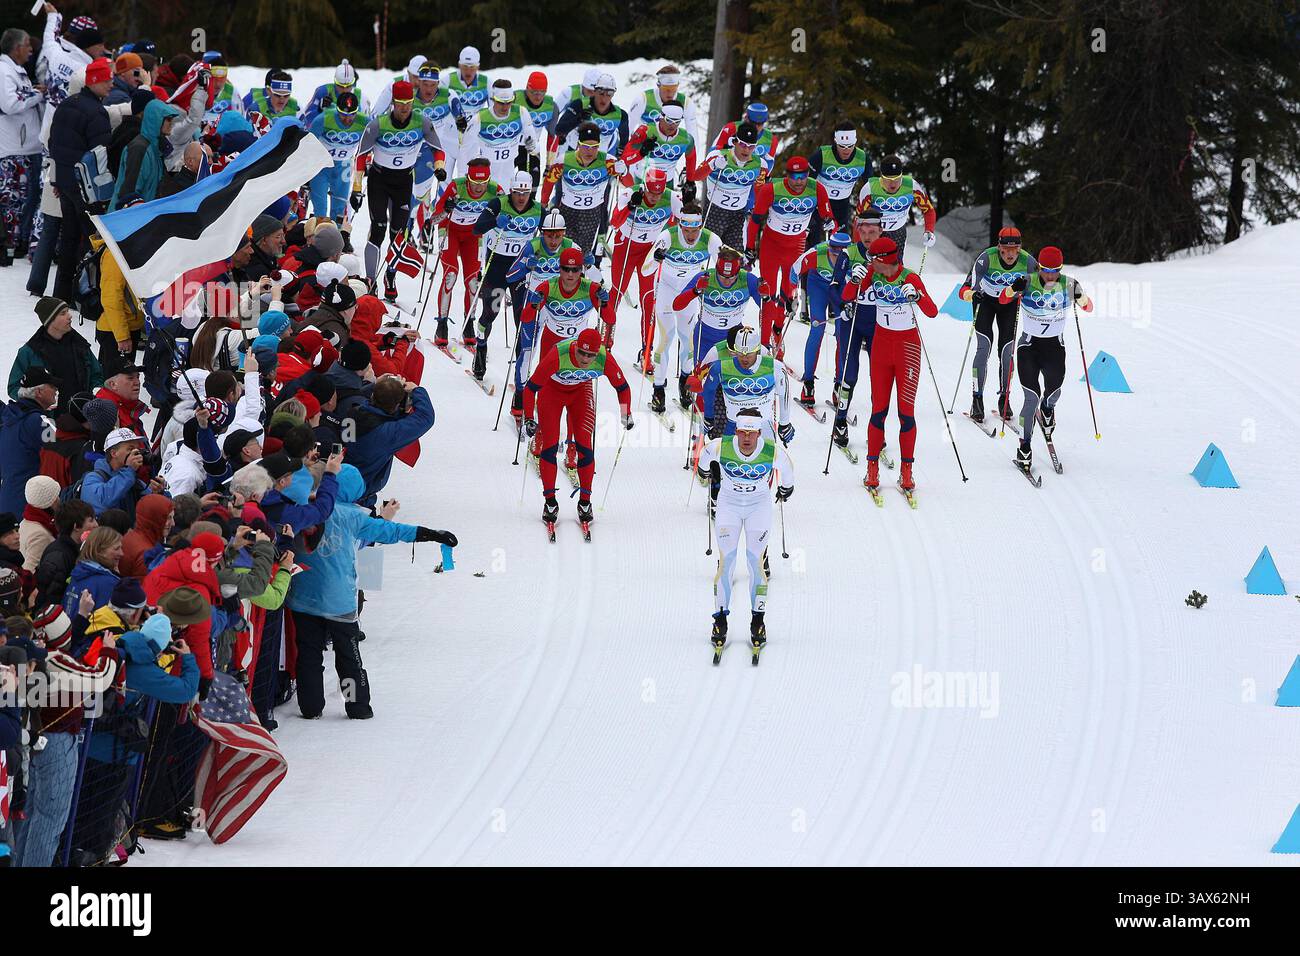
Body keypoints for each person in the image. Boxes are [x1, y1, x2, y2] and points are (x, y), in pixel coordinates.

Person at [287, 463, 454, 720]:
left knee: (308, 654)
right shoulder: (354, 517)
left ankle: (310, 707)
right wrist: (432, 534)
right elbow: (394, 531)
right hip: (339, 601)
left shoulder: (305, 508)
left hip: (303, 598)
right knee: (348, 657)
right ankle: (356, 706)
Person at [839, 235, 938, 493]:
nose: (870, 262)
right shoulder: (873, 273)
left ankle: (907, 472)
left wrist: (916, 296)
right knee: (879, 409)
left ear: (887, 260)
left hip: (907, 350)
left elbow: (932, 311)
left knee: (906, 412)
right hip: (881, 347)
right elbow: (847, 296)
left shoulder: (909, 277)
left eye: (874, 258)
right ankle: (872, 469)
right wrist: (855, 279)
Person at [696, 407, 793, 655]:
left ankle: (758, 621)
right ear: (736, 431)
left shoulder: (771, 451)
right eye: (742, 433)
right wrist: (703, 471)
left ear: (760, 433)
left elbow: (788, 468)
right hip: (728, 506)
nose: (747, 439)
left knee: (755, 562)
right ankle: (720, 620)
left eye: (752, 433)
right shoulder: (721, 446)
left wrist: (786, 488)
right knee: (726, 563)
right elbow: (704, 455)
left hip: (758, 507)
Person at [522, 328, 632, 528]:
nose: (585, 358)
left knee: (584, 445)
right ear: (576, 347)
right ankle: (550, 503)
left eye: (591, 355)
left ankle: (585, 502)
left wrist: (626, 413)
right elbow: (531, 388)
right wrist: (529, 417)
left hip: (581, 392)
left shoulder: (604, 358)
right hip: (551, 393)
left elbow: (622, 387)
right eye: (582, 352)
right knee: (550, 446)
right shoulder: (558, 354)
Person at [355, 79, 446, 297]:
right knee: (378, 228)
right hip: (379, 180)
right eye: (400, 103)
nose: (405, 108)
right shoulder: (377, 124)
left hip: (404, 181)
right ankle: (370, 279)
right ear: (393, 102)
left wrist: (439, 167)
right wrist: (356, 188)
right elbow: (360, 157)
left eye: (409, 102)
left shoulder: (422, 122)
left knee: (398, 234)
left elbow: (438, 150)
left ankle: (390, 275)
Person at [516, 246, 607, 456]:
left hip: (580, 349)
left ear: (581, 271)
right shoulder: (548, 286)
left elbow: (609, 316)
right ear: (560, 269)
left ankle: (572, 443)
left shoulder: (590, 287)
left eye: (576, 270)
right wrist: (532, 305)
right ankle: (541, 433)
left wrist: (605, 301)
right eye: (566, 269)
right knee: (548, 390)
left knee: (577, 393)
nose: (571, 274)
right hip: (552, 345)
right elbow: (526, 319)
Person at [1012, 245, 1093, 475]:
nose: (1050, 275)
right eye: (1046, 270)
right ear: (1039, 267)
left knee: (1054, 391)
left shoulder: (1069, 284)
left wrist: (1082, 298)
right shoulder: (1027, 281)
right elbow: (1006, 298)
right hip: (1029, 347)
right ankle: (1024, 447)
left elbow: (1088, 307)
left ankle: (1047, 409)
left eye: (1054, 270)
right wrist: (1012, 289)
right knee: (1031, 397)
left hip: (1054, 348)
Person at [48, 55, 113, 301]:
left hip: (65, 184)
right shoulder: (97, 112)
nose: (111, 85)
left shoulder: (66, 104)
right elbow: (100, 156)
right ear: (94, 81)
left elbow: (53, 144)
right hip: (84, 188)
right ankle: (84, 295)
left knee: (69, 238)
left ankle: (61, 293)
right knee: (91, 240)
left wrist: (56, 180)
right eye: (106, 81)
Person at [466, 170, 542, 378]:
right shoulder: (498, 204)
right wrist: (494, 221)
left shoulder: (538, 210)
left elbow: (549, 238)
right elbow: (477, 228)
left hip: (520, 270)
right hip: (496, 268)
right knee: (491, 313)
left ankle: (520, 369)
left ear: (530, 193)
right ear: (511, 190)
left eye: (524, 193)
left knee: (521, 317)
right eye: (517, 192)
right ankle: (481, 348)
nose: (520, 197)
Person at [959, 226, 1038, 423]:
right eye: (1005, 249)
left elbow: (1041, 285)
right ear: (999, 247)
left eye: (1014, 249)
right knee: (984, 348)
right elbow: (965, 288)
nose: (1010, 254)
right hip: (984, 302)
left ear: (1019, 248)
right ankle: (977, 399)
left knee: (1006, 351)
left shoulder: (1028, 261)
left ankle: (1005, 397)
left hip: (1009, 306)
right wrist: (971, 294)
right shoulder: (986, 258)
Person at [604, 167, 679, 367]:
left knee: (648, 298)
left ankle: (647, 350)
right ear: (644, 187)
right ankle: (605, 340)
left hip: (649, 252)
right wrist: (629, 207)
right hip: (626, 248)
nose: (655, 197)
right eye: (651, 193)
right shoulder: (630, 193)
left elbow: (683, 224)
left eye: (659, 193)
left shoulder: (671, 198)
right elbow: (614, 222)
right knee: (617, 291)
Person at [747, 155, 818, 356]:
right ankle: (762, 342)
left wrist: (831, 223)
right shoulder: (772, 189)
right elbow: (755, 219)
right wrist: (750, 247)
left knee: (788, 294)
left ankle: (777, 332)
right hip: (771, 246)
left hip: (795, 248)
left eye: (802, 176)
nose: (798, 181)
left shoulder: (816, 189)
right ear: (787, 176)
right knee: (767, 294)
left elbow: (830, 216)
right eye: (794, 176)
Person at [429, 156, 496, 344]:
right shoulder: (455, 187)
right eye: (475, 182)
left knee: (473, 281)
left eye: (483, 183)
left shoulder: (495, 190)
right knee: (450, 275)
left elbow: (507, 210)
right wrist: (446, 209)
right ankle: (442, 323)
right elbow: (434, 218)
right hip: (449, 231)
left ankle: (469, 323)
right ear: (468, 178)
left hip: (473, 235)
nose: (478, 188)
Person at [345, 375, 435, 507]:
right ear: (397, 405)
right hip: (359, 497)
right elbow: (426, 418)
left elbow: (374, 410)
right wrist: (416, 390)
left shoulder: (352, 412)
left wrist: (384, 386)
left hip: (341, 480)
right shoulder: (387, 434)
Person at [0, 27, 45, 266]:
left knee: (25, 201)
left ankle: (17, 243)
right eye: (28, 44)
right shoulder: (4, 71)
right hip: (13, 149)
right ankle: (9, 245)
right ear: (17, 47)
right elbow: (9, 104)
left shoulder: (16, 71)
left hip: (26, 146)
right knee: (13, 202)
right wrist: (37, 95)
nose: (31, 49)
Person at [701, 327, 793, 444]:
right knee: (730, 462)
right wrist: (708, 417)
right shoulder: (720, 368)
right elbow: (709, 390)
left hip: (764, 426)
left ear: (757, 350)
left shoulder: (775, 367)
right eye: (740, 353)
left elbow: (784, 394)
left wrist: (784, 423)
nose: (744, 358)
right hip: (733, 426)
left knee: (766, 462)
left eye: (749, 354)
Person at [9, 297, 100, 415]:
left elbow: (97, 374)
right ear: (50, 320)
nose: (70, 316)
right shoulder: (29, 352)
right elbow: (14, 387)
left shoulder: (80, 345)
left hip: (82, 417)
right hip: (48, 422)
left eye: (68, 311)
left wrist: (96, 391)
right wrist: (35, 399)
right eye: (63, 313)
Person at [793, 230, 850, 411]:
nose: (835, 257)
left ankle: (839, 386)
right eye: (833, 252)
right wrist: (791, 295)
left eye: (840, 254)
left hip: (841, 289)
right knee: (817, 328)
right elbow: (794, 271)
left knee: (843, 334)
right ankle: (808, 383)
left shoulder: (854, 256)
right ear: (829, 247)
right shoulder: (817, 253)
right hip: (818, 285)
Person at [544, 121, 617, 256]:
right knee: (563, 250)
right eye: (585, 146)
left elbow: (628, 183)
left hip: (591, 214)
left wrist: (623, 171)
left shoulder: (608, 161)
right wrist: (544, 201)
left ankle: (581, 273)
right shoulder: (564, 160)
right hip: (567, 212)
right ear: (578, 144)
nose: (590, 151)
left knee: (582, 253)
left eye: (594, 147)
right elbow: (549, 181)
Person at [691, 122, 764, 250]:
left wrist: (753, 206)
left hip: (737, 216)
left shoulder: (759, 164)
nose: (746, 150)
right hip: (714, 212)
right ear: (735, 142)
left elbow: (759, 190)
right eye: (742, 144)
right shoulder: (718, 156)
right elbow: (695, 176)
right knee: (707, 252)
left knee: (734, 259)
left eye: (751, 146)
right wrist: (712, 165)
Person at [854, 153, 935, 263]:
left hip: (898, 231)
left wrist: (929, 231)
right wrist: (860, 248)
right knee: (872, 268)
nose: (893, 183)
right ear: (881, 176)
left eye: (897, 179)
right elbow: (858, 220)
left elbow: (928, 210)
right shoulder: (869, 188)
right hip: (874, 231)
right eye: (888, 179)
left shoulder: (911, 186)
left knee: (895, 268)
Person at [0, 367, 59, 515]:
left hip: (8, 500)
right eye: (52, 387)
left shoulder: (8, 419)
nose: (56, 391)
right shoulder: (43, 422)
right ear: (39, 392)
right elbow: (58, 454)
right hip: (35, 504)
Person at [462, 78, 539, 192]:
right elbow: (466, 148)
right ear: (493, 99)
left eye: (508, 102)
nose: (505, 107)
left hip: (509, 169)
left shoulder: (521, 113)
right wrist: (463, 174)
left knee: (505, 202)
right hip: (487, 170)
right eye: (500, 103)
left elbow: (533, 143)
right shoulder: (480, 118)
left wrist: (531, 145)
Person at [110, 97, 182, 209]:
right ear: (156, 119)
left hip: (142, 214)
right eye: (168, 119)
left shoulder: (155, 148)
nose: (171, 124)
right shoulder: (139, 148)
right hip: (128, 219)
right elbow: (129, 192)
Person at [307, 90, 366, 225]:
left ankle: (337, 240)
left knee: (339, 212)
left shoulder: (364, 122)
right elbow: (307, 146)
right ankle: (318, 241)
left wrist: (358, 186)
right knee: (320, 211)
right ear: (337, 111)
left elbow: (369, 148)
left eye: (351, 115)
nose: (347, 119)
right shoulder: (323, 119)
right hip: (321, 167)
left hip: (343, 168)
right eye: (343, 115)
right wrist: (305, 176)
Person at [807, 122, 869, 246]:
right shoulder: (822, 154)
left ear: (855, 142)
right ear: (835, 142)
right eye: (842, 146)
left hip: (841, 205)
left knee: (841, 242)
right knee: (814, 240)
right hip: (819, 203)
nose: (846, 150)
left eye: (850, 146)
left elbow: (870, 186)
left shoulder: (862, 158)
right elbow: (807, 181)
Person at [81, 427, 163, 516]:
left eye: (137, 449)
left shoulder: (133, 480)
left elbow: (154, 511)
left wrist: (158, 494)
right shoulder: (93, 477)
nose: (136, 453)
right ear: (113, 453)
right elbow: (101, 504)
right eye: (130, 449)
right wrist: (129, 471)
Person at [33, 497, 95, 606]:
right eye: (91, 520)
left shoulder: (76, 548)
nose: (96, 525)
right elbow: (50, 597)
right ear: (76, 526)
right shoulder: (58, 556)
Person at [625, 64, 700, 153]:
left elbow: (692, 135)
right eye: (666, 89)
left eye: (674, 88)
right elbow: (628, 127)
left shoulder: (686, 103)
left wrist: (692, 161)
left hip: (668, 153)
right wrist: (629, 152)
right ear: (658, 85)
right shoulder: (643, 99)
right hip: (644, 152)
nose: (670, 93)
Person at [554, 71, 627, 156]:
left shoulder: (620, 115)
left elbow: (624, 145)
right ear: (595, 91)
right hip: (573, 157)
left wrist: (618, 158)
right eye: (601, 92)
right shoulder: (579, 105)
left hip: (599, 161)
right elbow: (559, 130)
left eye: (609, 93)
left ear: (614, 93)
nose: (604, 97)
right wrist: (579, 119)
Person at [62, 524, 122, 617]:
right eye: (116, 548)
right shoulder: (109, 583)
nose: (122, 553)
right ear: (100, 550)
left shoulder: (77, 574)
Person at [711, 103, 779, 175]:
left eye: (760, 124)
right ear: (746, 118)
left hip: (749, 179)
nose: (756, 127)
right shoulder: (731, 128)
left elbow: (769, 163)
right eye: (753, 123)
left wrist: (761, 179)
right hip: (726, 175)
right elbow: (715, 151)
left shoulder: (771, 139)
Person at [19, 475, 61, 570]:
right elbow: (30, 571)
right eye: (57, 496)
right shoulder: (40, 535)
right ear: (52, 502)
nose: (59, 499)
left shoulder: (25, 523)